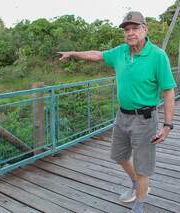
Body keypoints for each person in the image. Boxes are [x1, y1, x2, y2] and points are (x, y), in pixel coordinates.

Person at [58, 11, 176, 213]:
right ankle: (136, 183)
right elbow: (96, 54)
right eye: (127, 29)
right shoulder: (120, 52)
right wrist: (73, 53)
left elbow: (168, 91)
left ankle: (139, 204)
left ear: (145, 30)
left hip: (145, 119)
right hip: (122, 116)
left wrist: (167, 125)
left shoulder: (157, 56)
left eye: (135, 28)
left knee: (142, 166)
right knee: (119, 156)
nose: (130, 33)